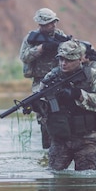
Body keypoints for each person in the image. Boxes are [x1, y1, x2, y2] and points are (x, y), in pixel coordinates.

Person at [35, 40, 96, 171]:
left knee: (86, 183)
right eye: (61, 59)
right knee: (55, 181)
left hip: (86, 139)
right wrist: (39, 107)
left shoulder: (91, 75)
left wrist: (79, 94)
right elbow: (42, 104)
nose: (64, 63)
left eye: (68, 60)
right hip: (60, 139)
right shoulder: (51, 77)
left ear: (79, 59)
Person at [19, 8, 71, 149]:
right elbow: (24, 57)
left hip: (60, 80)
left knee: (64, 111)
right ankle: (47, 148)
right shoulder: (32, 38)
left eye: (54, 22)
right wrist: (41, 48)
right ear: (41, 25)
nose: (53, 25)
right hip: (40, 82)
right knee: (44, 114)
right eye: (49, 23)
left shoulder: (60, 35)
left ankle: (63, 146)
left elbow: (71, 53)